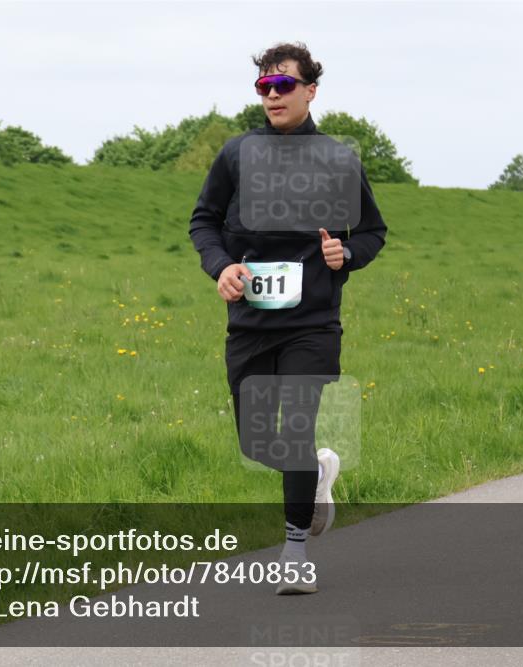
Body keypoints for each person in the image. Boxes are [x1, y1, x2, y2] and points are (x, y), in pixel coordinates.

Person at [188, 42, 387, 594]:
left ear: (310, 91)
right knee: (257, 443)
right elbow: (203, 221)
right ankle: (316, 474)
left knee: (297, 428)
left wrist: (346, 254)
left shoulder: (337, 159)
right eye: (264, 87)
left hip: (312, 324)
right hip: (250, 324)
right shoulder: (236, 155)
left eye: (284, 85)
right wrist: (221, 266)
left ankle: (295, 552)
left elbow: (372, 232)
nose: (272, 95)